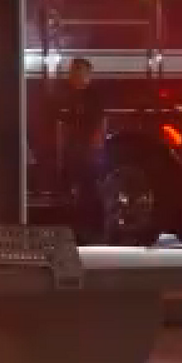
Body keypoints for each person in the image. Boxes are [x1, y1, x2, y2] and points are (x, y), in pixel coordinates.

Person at [53, 57, 107, 242]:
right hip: (71, 150)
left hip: (89, 151)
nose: (74, 75)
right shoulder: (65, 95)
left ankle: (95, 229)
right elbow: (61, 121)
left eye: (79, 71)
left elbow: (100, 122)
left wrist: (95, 145)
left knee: (90, 189)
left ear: (88, 75)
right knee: (70, 192)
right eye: (73, 71)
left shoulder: (95, 96)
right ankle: (74, 230)